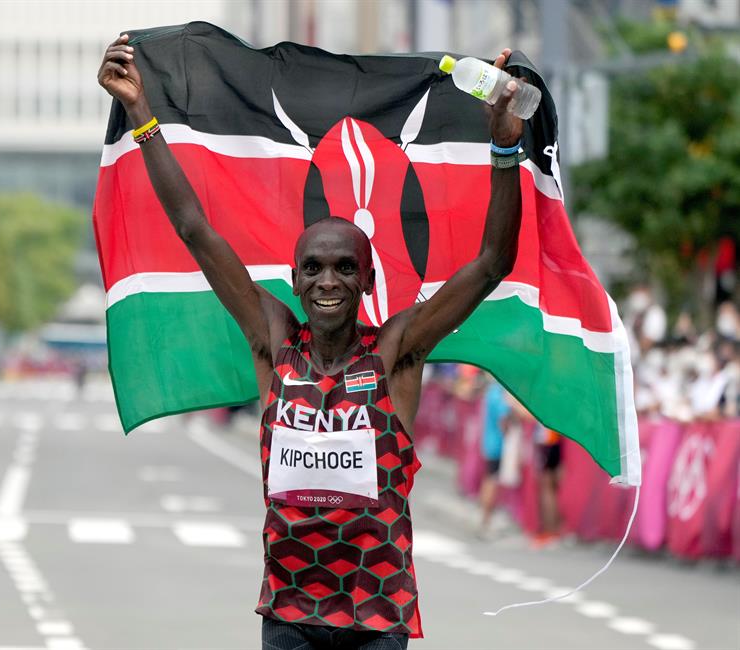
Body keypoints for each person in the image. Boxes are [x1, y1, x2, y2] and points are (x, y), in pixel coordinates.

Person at [98, 34, 524, 650]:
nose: (329, 281)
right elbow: (195, 228)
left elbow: (491, 265)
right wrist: (142, 115)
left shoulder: (396, 350)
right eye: (314, 269)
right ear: (294, 279)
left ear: (368, 280)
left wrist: (504, 147)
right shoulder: (273, 339)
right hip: (290, 615)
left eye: (345, 268)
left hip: (377, 618)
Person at [478, 379, 511, 539]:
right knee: (492, 481)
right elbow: (503, 421)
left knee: (489, 479)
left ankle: (485, 521)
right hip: (498, 445)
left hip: (490, 443)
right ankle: (486, 522)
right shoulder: (499, 393)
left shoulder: (492, 391)